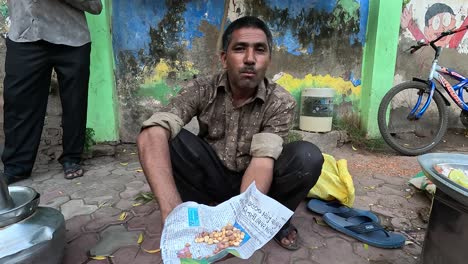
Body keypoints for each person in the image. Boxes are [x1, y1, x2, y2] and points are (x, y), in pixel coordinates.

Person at [137, 16, 324, 251]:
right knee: (162, 135)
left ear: (268, 60)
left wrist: (239, 225)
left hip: (256, 181)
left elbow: (263, 162)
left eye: (259, 50)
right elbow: (151, 132)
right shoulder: (202, 88)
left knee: (307, 157)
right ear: (224, 59)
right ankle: (191, 214)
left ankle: (273, 221)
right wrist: (170, 212)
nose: (249, 59)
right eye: (239, 49)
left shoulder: (280, 101)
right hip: (212, 175)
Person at [2, 0, 102, 184]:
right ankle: (17, 166)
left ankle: (72, 157)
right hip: (24, 35)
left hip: (71, 36)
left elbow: (95, 6)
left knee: (75, 102)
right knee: (18, 102)